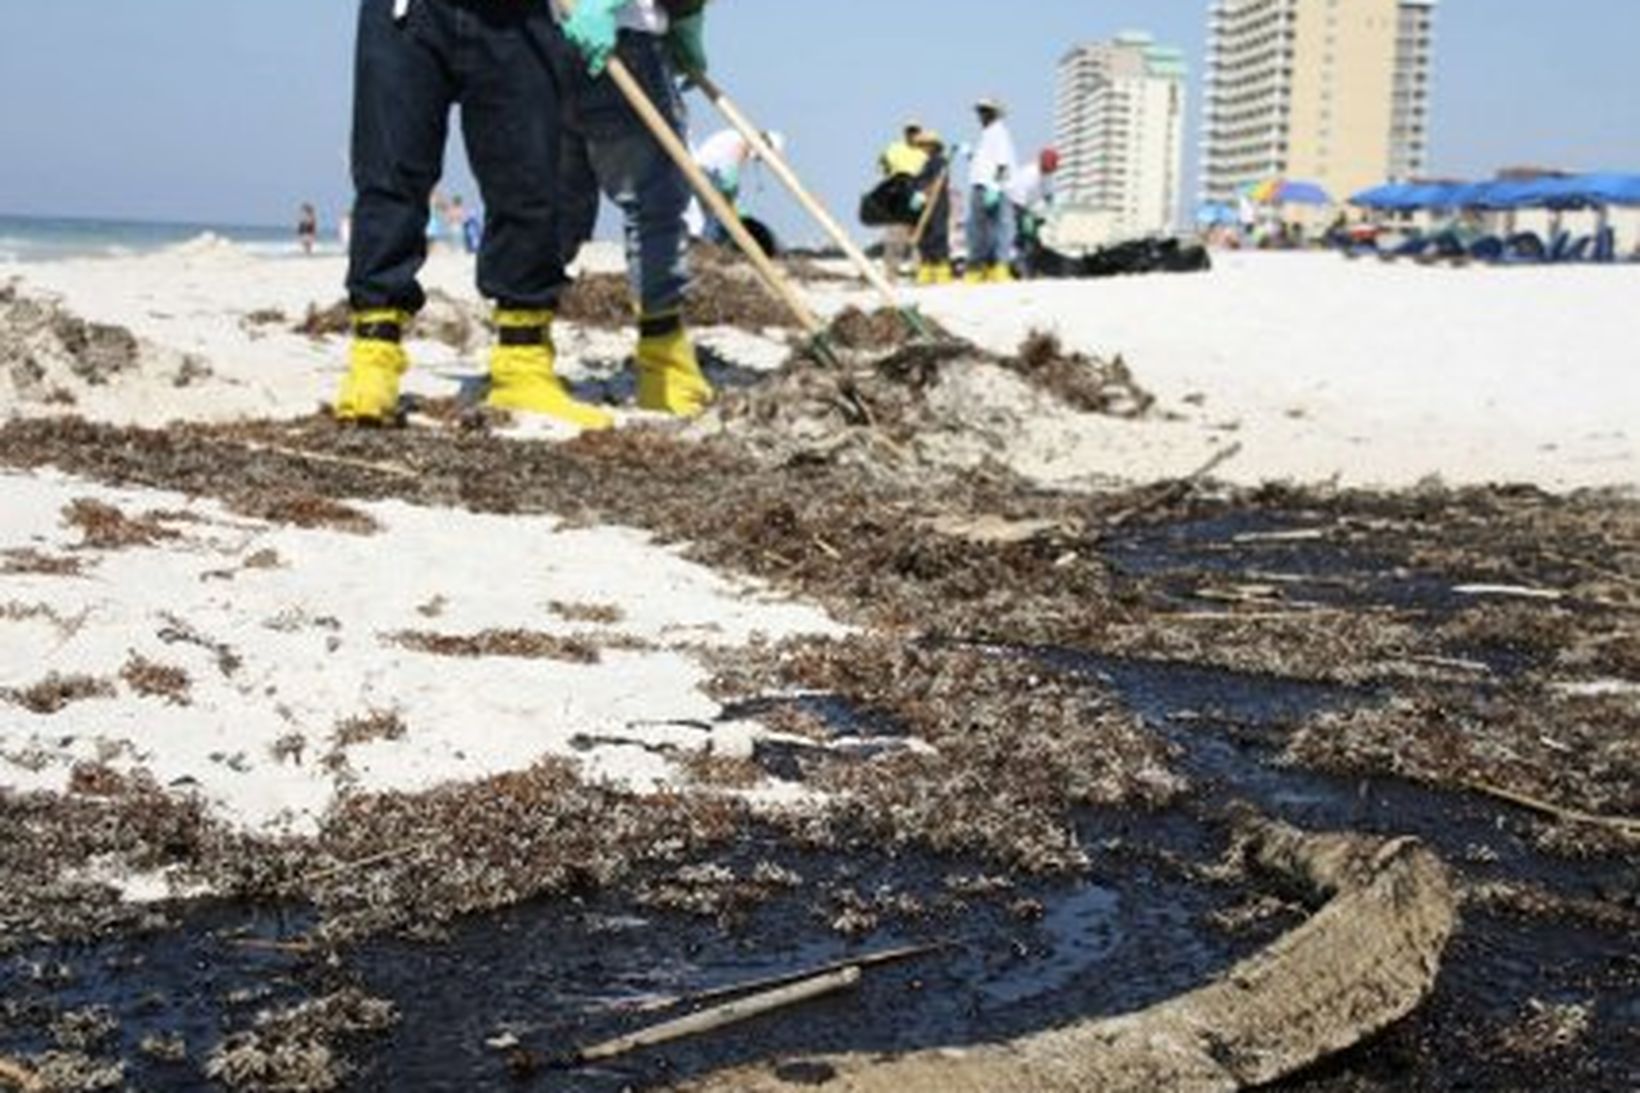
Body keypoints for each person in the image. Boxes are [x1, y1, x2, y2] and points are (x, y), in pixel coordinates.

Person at [334, 0, 610, 430]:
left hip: (521, 18)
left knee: (530, 182)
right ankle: (374, 358)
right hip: (409, 15)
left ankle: (524, 365)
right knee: (391, 175)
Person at [552, 0, 714, 418]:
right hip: (625, 37)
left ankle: (523, 348)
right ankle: (664, 367)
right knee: (654, 203)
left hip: (543, 34)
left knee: (552, 206)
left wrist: (684, 21)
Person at [692, 127, 783, 245]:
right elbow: (735, 160)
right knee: (719, 215)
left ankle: (713, 245)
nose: (758, 160)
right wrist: (731, 180)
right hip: (709, 173)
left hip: (703, 172)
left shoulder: (740, 136)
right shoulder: (746, 140)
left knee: (718, 217)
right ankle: (708, 246)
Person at [964, 97, 1017, 284]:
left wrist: (994, 186)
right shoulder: (986, 135)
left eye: (985, 110)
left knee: (993, 229)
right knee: (982, 230)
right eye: (980, 111)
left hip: (989, 188)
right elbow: (985, 163)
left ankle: (994, 269)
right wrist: (970, 154)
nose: (981, 114)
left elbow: (1002, 164)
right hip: (982, 186)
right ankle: (983, 270)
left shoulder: (998, 132)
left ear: (994, 113)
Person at [877, 121, 928, 282]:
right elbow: (882, 164)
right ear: (905, 133)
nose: (913, 135)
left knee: (918, 238)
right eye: (910, 131)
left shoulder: (924, 153)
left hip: (917, 196)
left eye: (916, 131)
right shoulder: (894, 148)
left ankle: (918, 274)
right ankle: (890, 276)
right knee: (894, 238)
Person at [1006, 147, 1059, 278]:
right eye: (1049, 167)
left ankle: (1031, 269)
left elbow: (1048, 195)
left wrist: (1053, 211)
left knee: (1035, 240)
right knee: (1026, 239)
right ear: (1043, 163)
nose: (1050, 170)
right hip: (1016, 204)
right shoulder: (1030, 174)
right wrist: (1026, 217)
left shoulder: (1046, 175)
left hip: (1031, 207)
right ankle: (1022, 270)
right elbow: (1020, 198)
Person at [908, 130, 953, 284]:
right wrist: (916, 195)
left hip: (938, 203)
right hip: (924, 206)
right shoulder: (925, 164)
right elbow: (917, 182)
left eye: (925, 144)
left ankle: (942, 270)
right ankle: (926, 269)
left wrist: (924, 193)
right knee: (925, 238)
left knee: (938, 235)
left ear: (933, 146)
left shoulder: (940, 161)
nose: (922, 147)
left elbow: (938, 181)